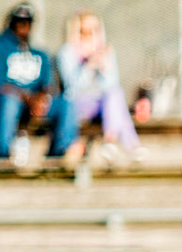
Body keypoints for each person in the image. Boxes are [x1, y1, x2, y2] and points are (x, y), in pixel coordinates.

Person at [0, 5, 76, 165]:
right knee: (9, 101)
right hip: (6, 103)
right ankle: (2, 156)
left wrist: (41, 99)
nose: (23, 26)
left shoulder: (40, 54)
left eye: (27, 22)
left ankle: (59, 155)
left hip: (33, 104)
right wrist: (27, 98)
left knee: (65, 103)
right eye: (19, 22)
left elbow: (48, 84)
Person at [59, 10, 140, 161]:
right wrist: (89, 66)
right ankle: (131, 146)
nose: (89, 35)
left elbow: (111, 85)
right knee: (119, 108)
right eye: (84, 30)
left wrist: (104, 67)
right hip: (76, 105)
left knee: (116, 93)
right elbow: (71, 89)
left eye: (94, 30)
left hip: (102, 105)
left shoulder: (105, 51)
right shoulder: (67, 52)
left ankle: (110, 142)